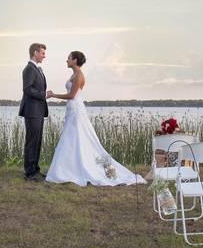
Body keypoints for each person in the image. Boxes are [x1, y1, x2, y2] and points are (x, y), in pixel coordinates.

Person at [46, 51, 145, 186]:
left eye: (69, 58)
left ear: (75, 60)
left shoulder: (79, 75)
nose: (66, 60)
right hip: (72, 110)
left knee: (82, 139)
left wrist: (54, 95)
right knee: (72, 140)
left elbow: (72, 95)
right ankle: (70, 169)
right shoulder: (73, 74)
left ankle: (99, 171)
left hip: (76, 111)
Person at [19, 42, 50, 181]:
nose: (44, 56)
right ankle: (29, 173)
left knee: (37, 141)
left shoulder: (37, 69)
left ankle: (35, 169)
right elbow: (27, 89)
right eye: (42, 53)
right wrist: (43, 94)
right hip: (32, 111)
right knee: (32, 142)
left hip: (38, 111)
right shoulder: (29, 69)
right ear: (35, 53)